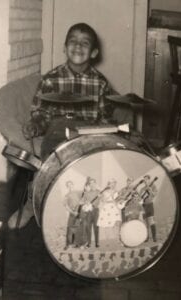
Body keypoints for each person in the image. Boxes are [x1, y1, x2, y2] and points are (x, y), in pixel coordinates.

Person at [8, 23, 114, 229]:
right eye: (73, 41)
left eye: (85, 43)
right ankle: (33, 203)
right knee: (49, 165)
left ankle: (86, 209)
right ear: (64, 47)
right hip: (58, 130)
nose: (78, 46)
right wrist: (35, 126)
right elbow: (41, 113)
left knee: (95, 164)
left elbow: (106, 115)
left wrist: (108, 130)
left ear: (94, 52)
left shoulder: (100, 83)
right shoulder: (51, 79)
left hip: (87, 131)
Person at [63, 180, 82, 249]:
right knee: (70, 228)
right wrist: (72, 212)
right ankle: (69, 244)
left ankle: (77, 244)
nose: (70, 186)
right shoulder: (66, 195)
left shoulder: (78, 192)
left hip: (79, 212)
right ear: (67, 187)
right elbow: (65, 206)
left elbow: (84, 198)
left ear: (73, 185)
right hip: (72, 213)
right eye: (68, 185)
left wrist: (81, 205)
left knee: (78, 228)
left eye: (71, 184)